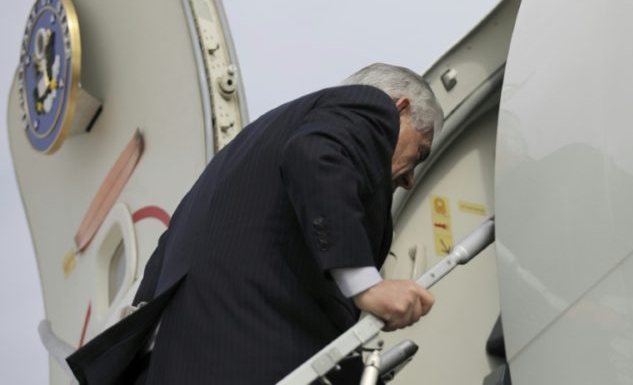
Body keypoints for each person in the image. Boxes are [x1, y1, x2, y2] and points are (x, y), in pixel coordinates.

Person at [67, 63, 444, 384]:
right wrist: (367, 286)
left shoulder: (226, 173)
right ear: (400, 107)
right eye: (420, 152)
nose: (411, 179)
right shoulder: (368, 108)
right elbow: (315, 156)